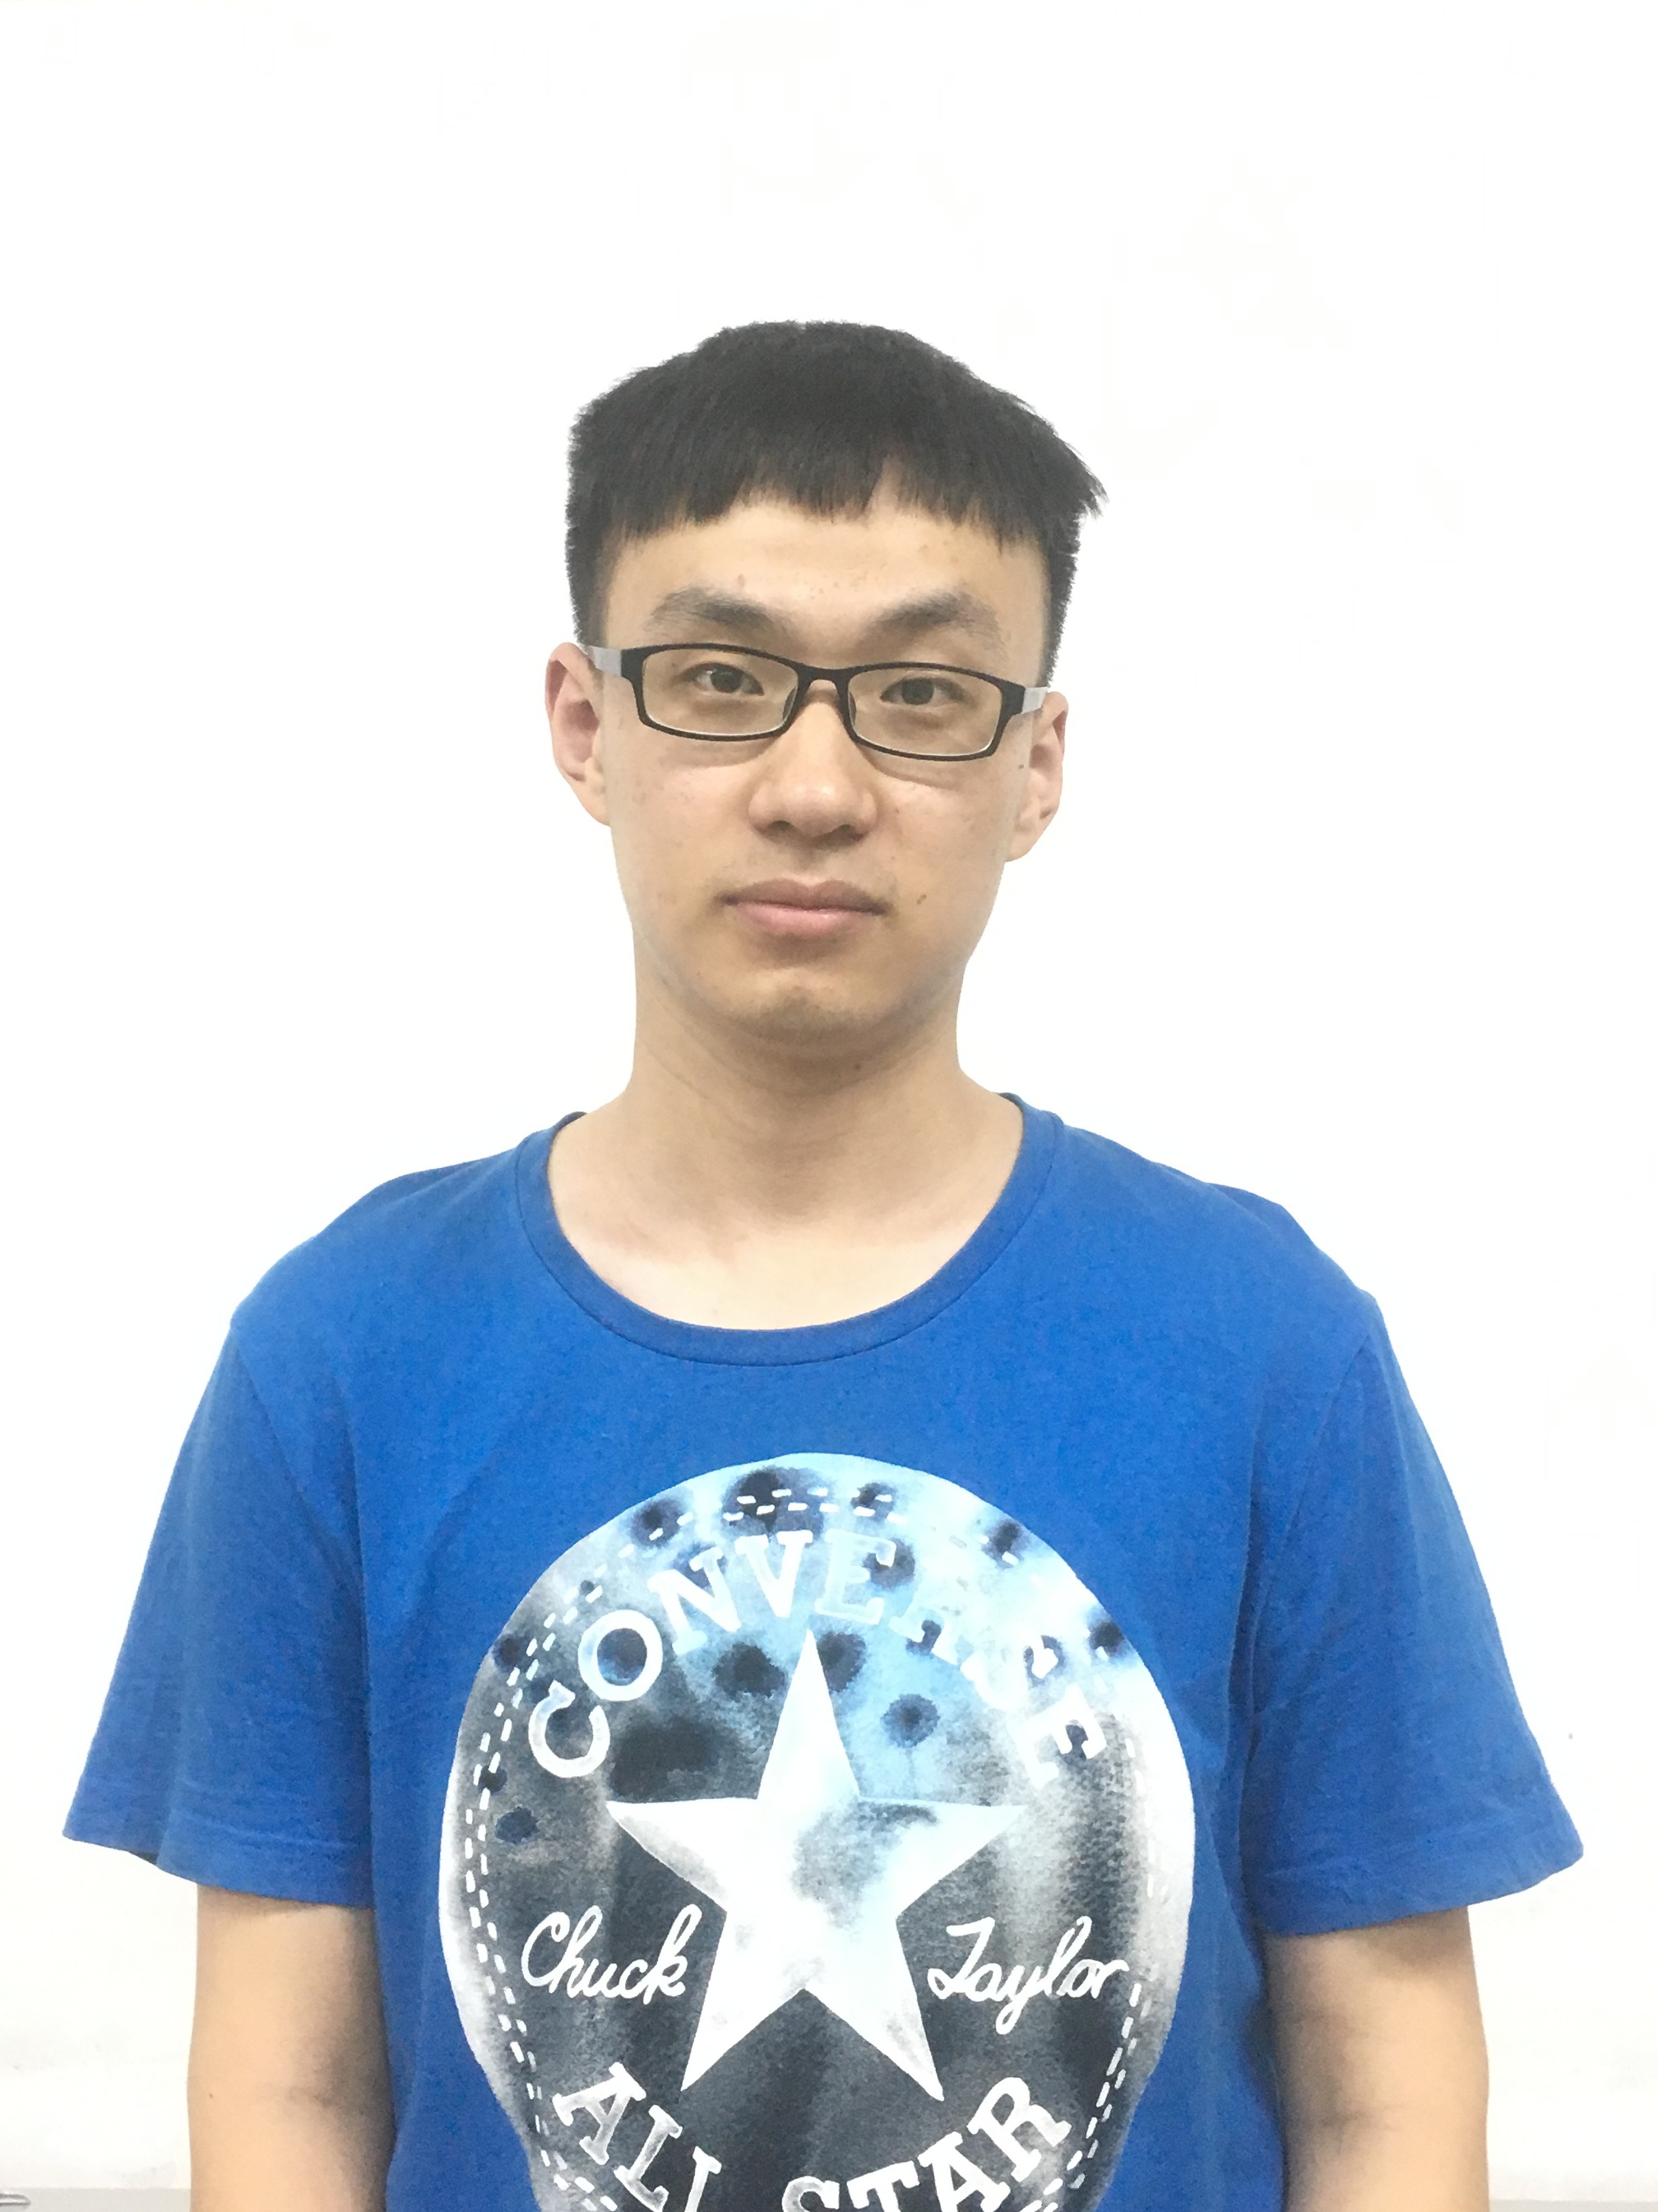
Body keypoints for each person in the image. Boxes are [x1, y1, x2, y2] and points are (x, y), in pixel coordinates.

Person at [67, 321, 1579, 2212]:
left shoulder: (1266, 1346)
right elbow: (291, 2084)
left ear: (1036, 766)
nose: (813, 783)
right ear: (584, 724)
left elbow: (1385, 2088)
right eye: (721, 678)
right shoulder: (342, 1355)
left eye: (923, 696)